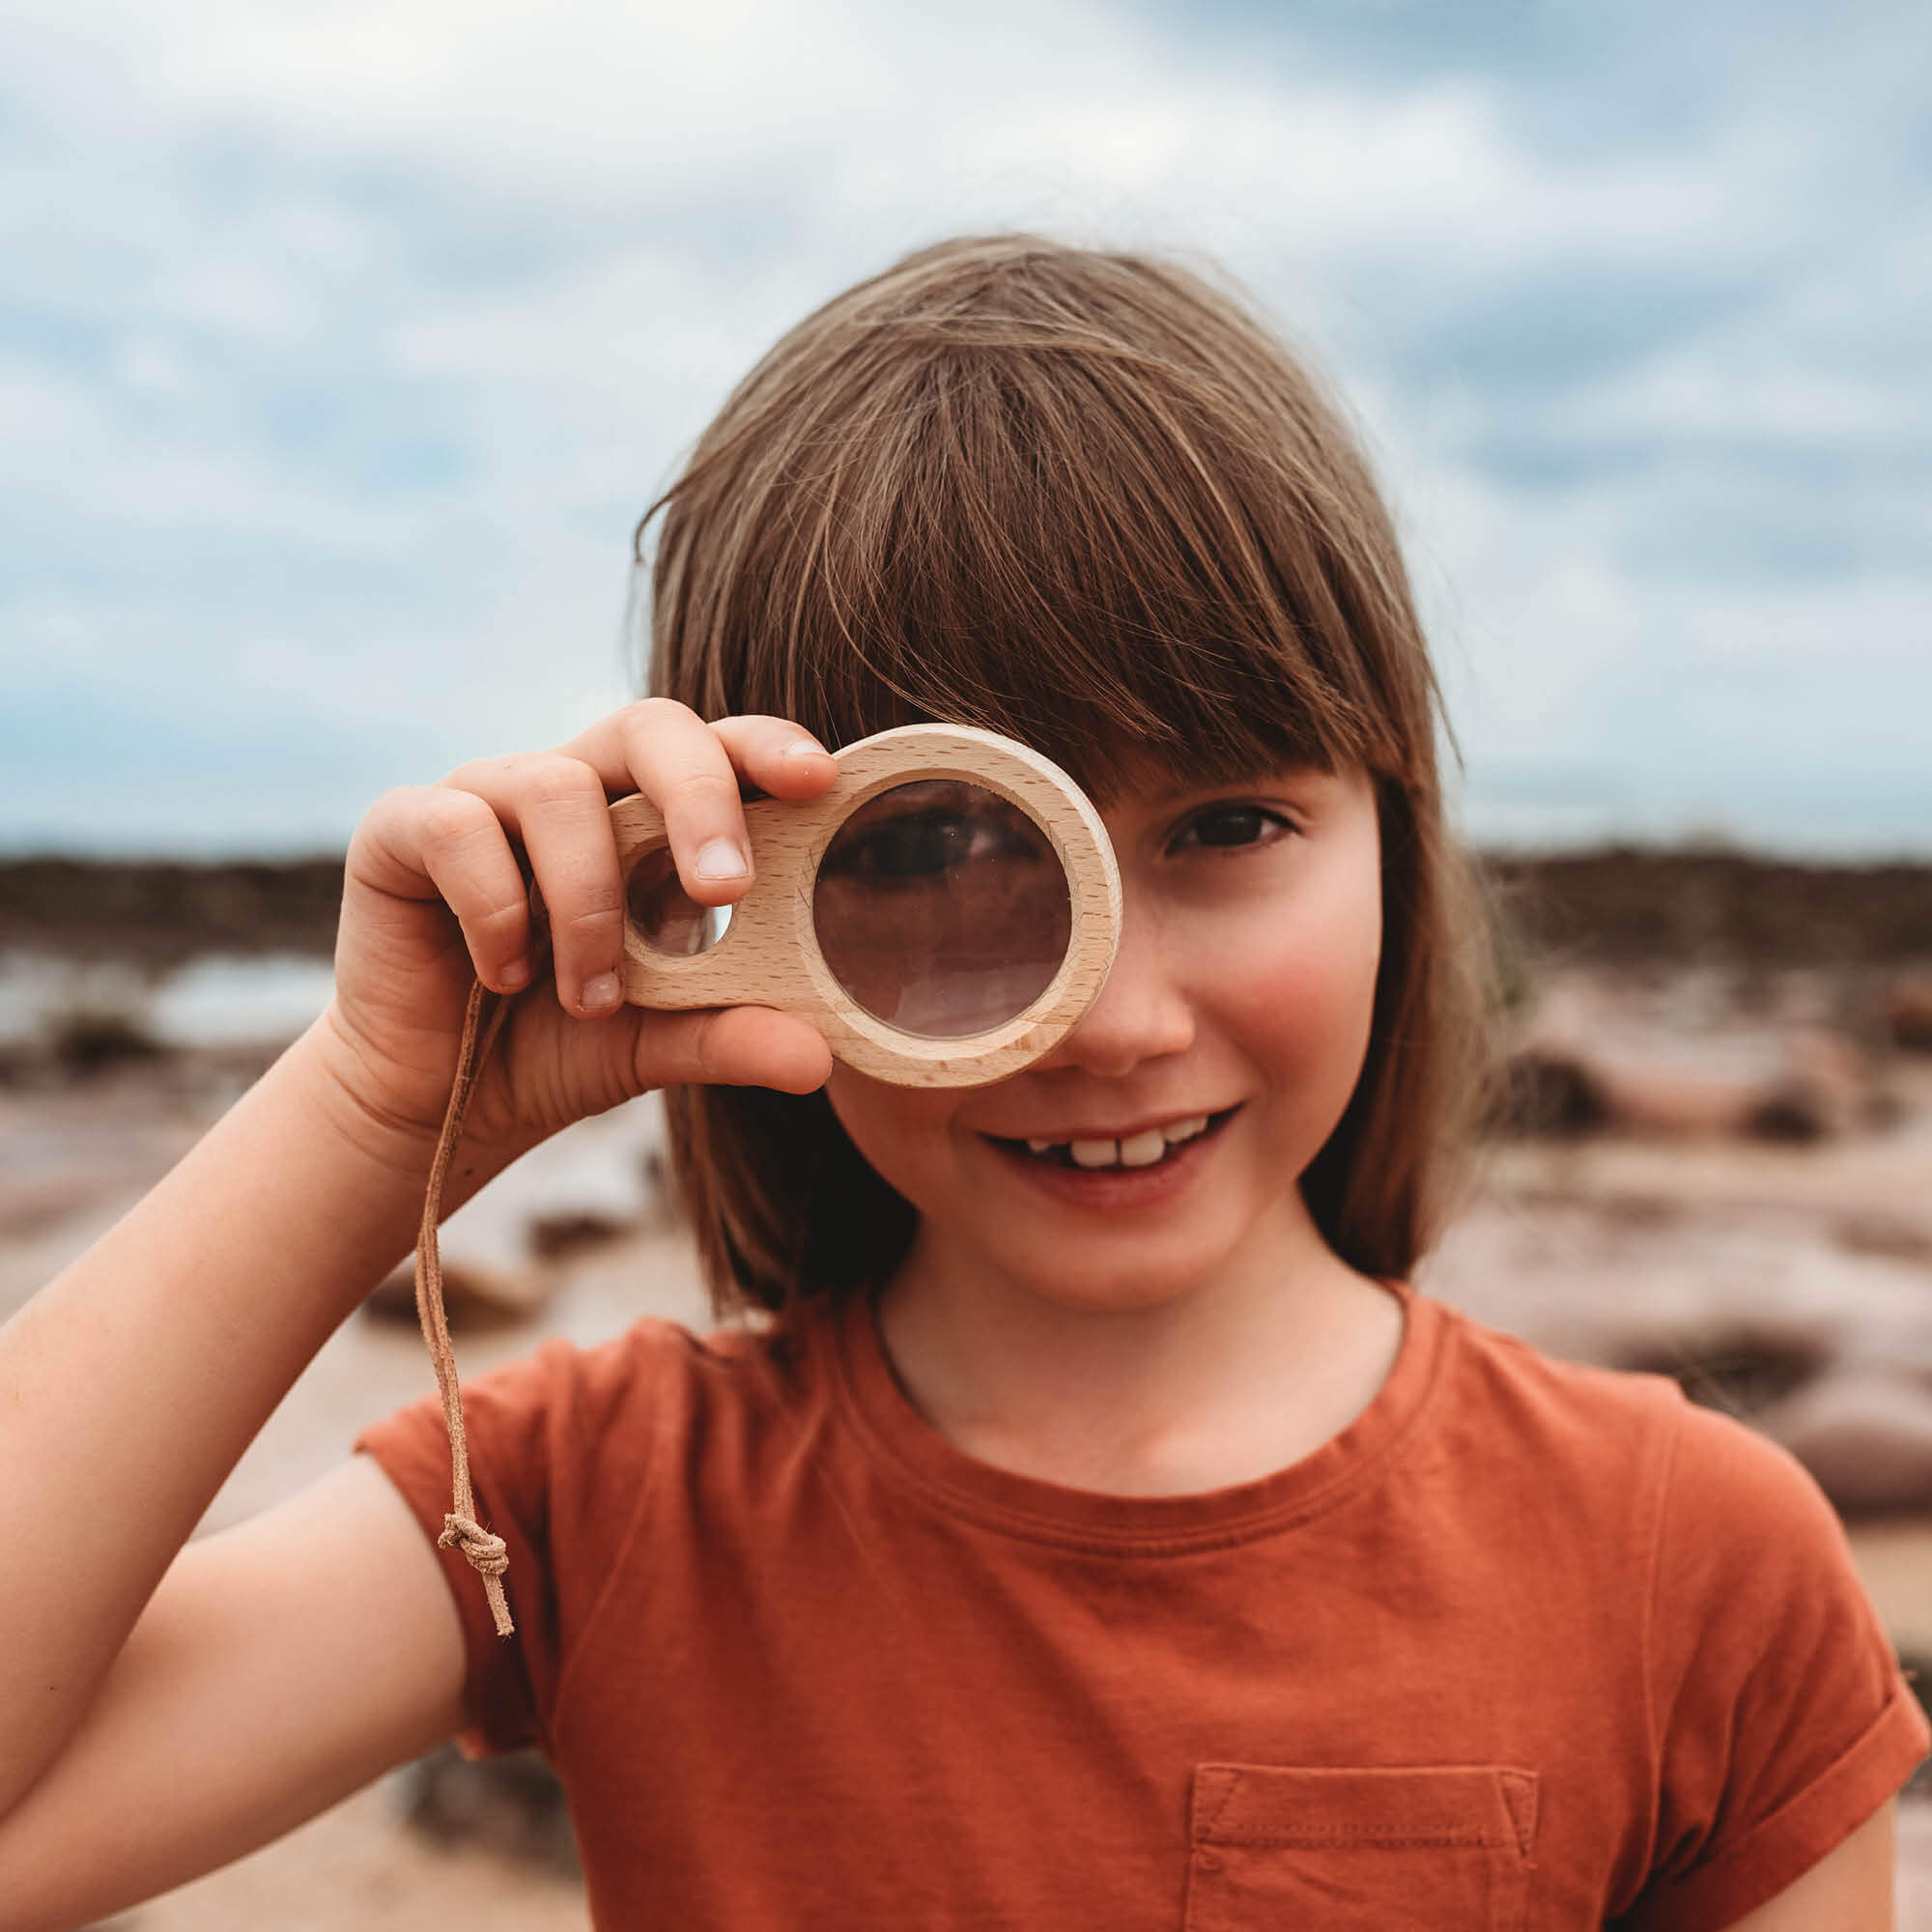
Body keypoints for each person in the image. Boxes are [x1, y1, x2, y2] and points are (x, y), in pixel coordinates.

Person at [0, 237, 1922, 1931]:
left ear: (1400, 846)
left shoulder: (1692, 1564)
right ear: (751, 893)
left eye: (1228, 820)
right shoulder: (593, 1504)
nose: (1107, 1015)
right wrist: (364, 1108)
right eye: (925, 857)